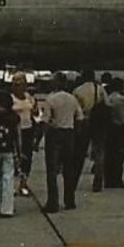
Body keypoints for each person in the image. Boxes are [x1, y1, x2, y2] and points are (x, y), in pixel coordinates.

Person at [41, 72, 84, 213]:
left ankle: (53, 202)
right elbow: (80, 117)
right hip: (69, 133)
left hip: (55, 133)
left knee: (52, 170)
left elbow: (46, 121)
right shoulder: (72, 99)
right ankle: (69, 200)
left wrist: (39, 138)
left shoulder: (50, 99)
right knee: (68, 169)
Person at [9, 73, 39, 197]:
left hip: (27, 130)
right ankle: (11, 185)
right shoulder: (10, 98)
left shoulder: (29, 98)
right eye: (16, 85)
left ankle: (23, 183)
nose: (19, 87)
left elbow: (36, 113)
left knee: (27, 158)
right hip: (14, 131)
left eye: (21, 85)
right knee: (14, 158)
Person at [101, 78, 124, 189]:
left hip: (110, 128)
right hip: (121, 129)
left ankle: (108, 180)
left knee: (110, 155)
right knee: (119, 156)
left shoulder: (108, 99)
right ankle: (117, 180)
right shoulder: (122, 99)